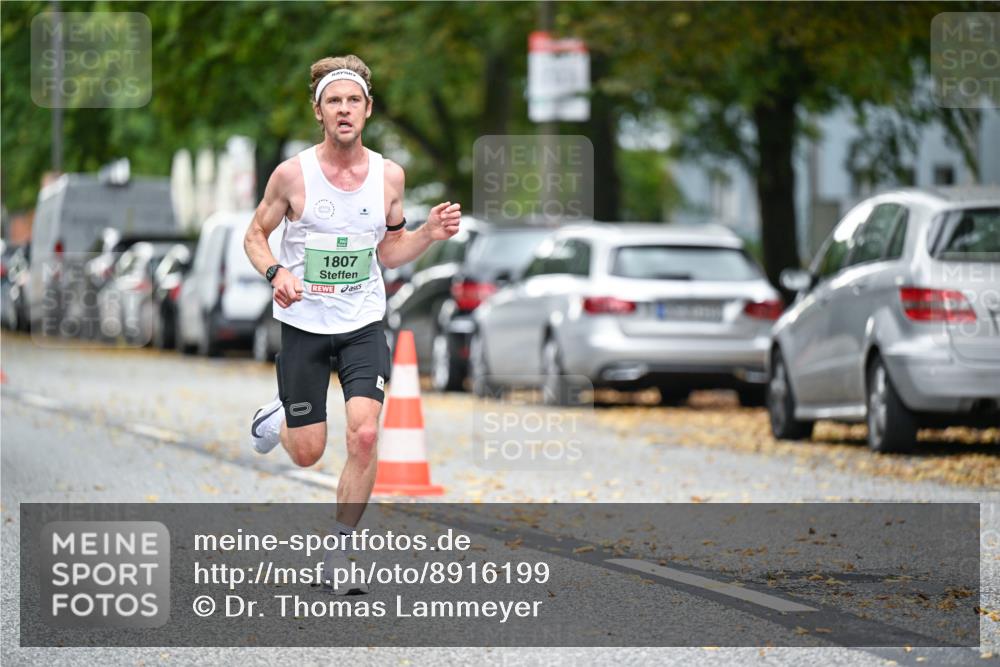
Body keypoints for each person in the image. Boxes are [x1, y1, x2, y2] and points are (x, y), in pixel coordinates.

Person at [243, 54, 460, 594]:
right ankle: (278, 417)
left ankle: (338, 553)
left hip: (363, 319)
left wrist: (429, 234)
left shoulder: (390, 176)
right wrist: (275, 272)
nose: (344, 109)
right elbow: (253, 235)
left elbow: (389, 252)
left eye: (353, 101)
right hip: (304, 323)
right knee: (308, 451)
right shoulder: (292, 175)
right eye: (333, 101)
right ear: (318, 111)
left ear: (368, 109)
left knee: (364, 434)